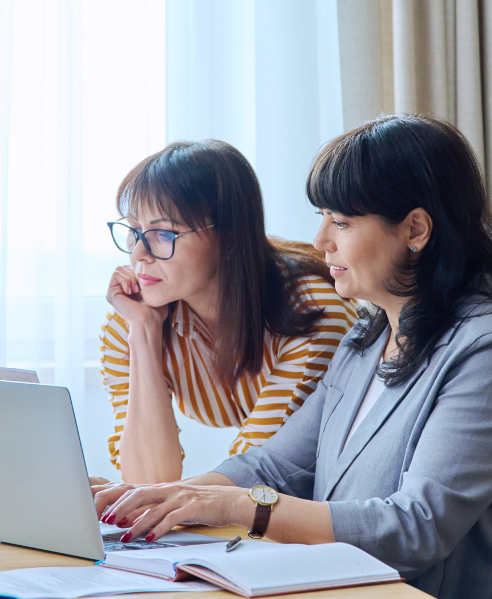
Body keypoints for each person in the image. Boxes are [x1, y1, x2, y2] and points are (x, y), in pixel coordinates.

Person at [93, 115, 492, 599]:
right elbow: (274, 468)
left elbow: (417, 528)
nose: (321, 241)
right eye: (322, 217)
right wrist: (162, 499)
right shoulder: (368, 336)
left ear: (416, 229)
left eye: (341, 222)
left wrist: (233, 508)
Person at [99, 140, 358, 485]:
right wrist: (143, 334)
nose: (138, 255)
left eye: (162, 233)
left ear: (229, 234)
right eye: (134, 231)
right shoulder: (133, 317)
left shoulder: (310, 314)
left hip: (335, 494)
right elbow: (148, 479)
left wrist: (162, 501)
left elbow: (258, 473)